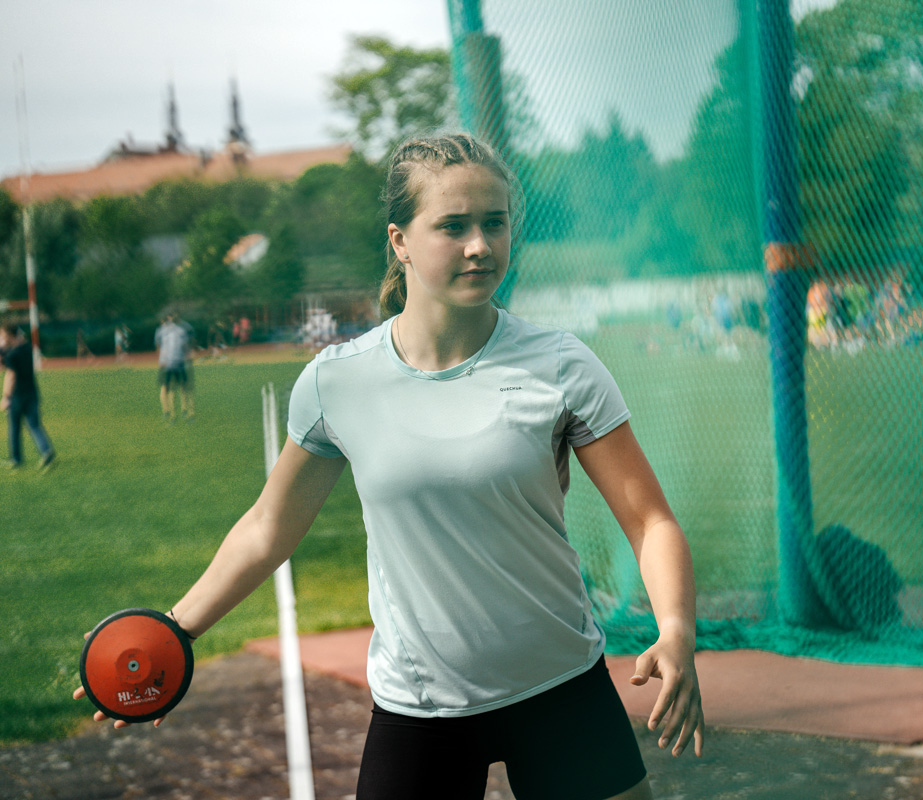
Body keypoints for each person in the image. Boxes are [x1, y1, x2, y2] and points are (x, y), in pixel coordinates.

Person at [75, 134, 704, 800]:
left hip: (560, 689)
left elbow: (649, 520)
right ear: (400, 241)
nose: (480, 245)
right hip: (421, 707)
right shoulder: (337, 382)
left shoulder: (561, 365)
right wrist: (174, 631)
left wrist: (677, 630)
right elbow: (269, 527)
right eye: (453, 226)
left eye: (494, 223)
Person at [1, 322, 56, 471]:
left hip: (17, 395)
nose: (3, 338)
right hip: (31, 392)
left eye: (4, 335)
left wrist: (6, 397)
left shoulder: (12, 355)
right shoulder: (27, 348)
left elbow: (10, 375)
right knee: (34, 424)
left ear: (10, 335)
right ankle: (46, 450)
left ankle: (16, 459)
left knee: (14, 427)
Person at [155, 314, 194, 422]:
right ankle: (168, 412)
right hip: (167, 364)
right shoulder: (162, 331)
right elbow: (159, 346)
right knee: (167, 388)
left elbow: (184, 345)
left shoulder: (179, 329)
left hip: (177, 362)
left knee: (181, 387)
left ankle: (182, 410)